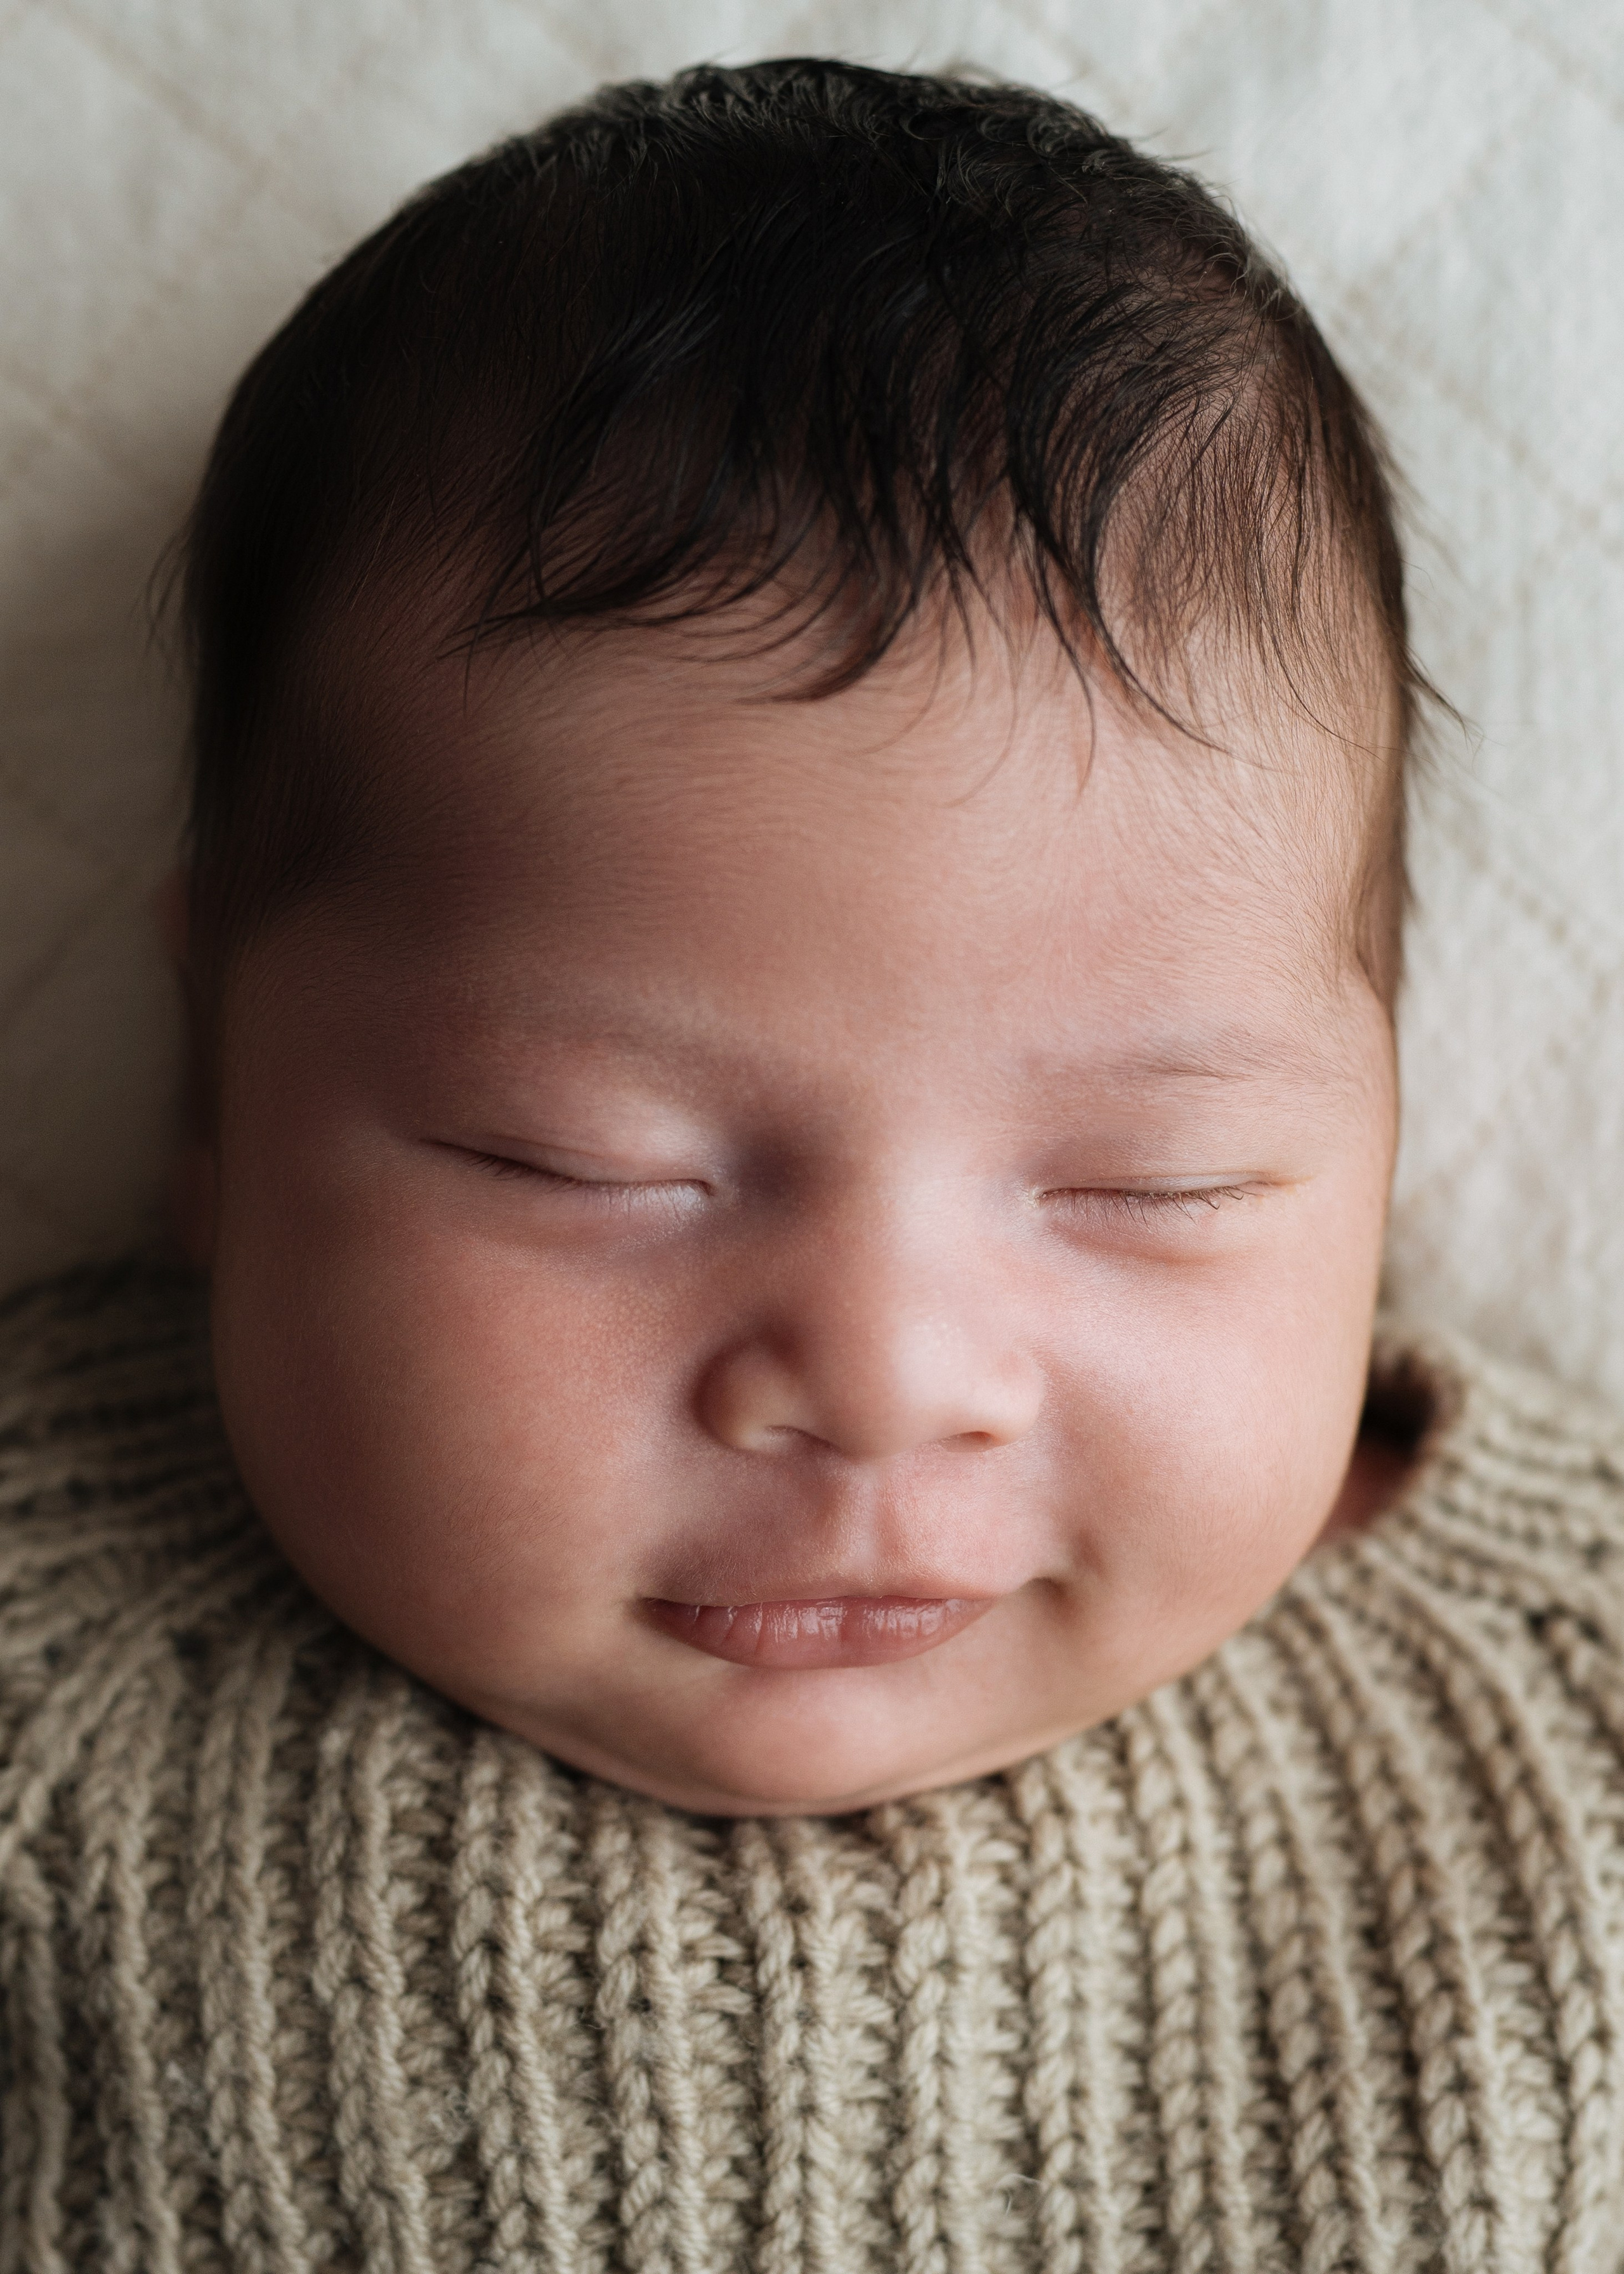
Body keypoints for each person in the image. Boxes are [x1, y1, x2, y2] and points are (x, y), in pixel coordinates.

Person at [4, 56, 1622, 2267]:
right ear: (219, 1084)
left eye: (1152, 1179)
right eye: (577, 1161)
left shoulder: (1574, 1705)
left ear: (1379, 1126)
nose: (879, 1377)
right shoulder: (52, 1650)